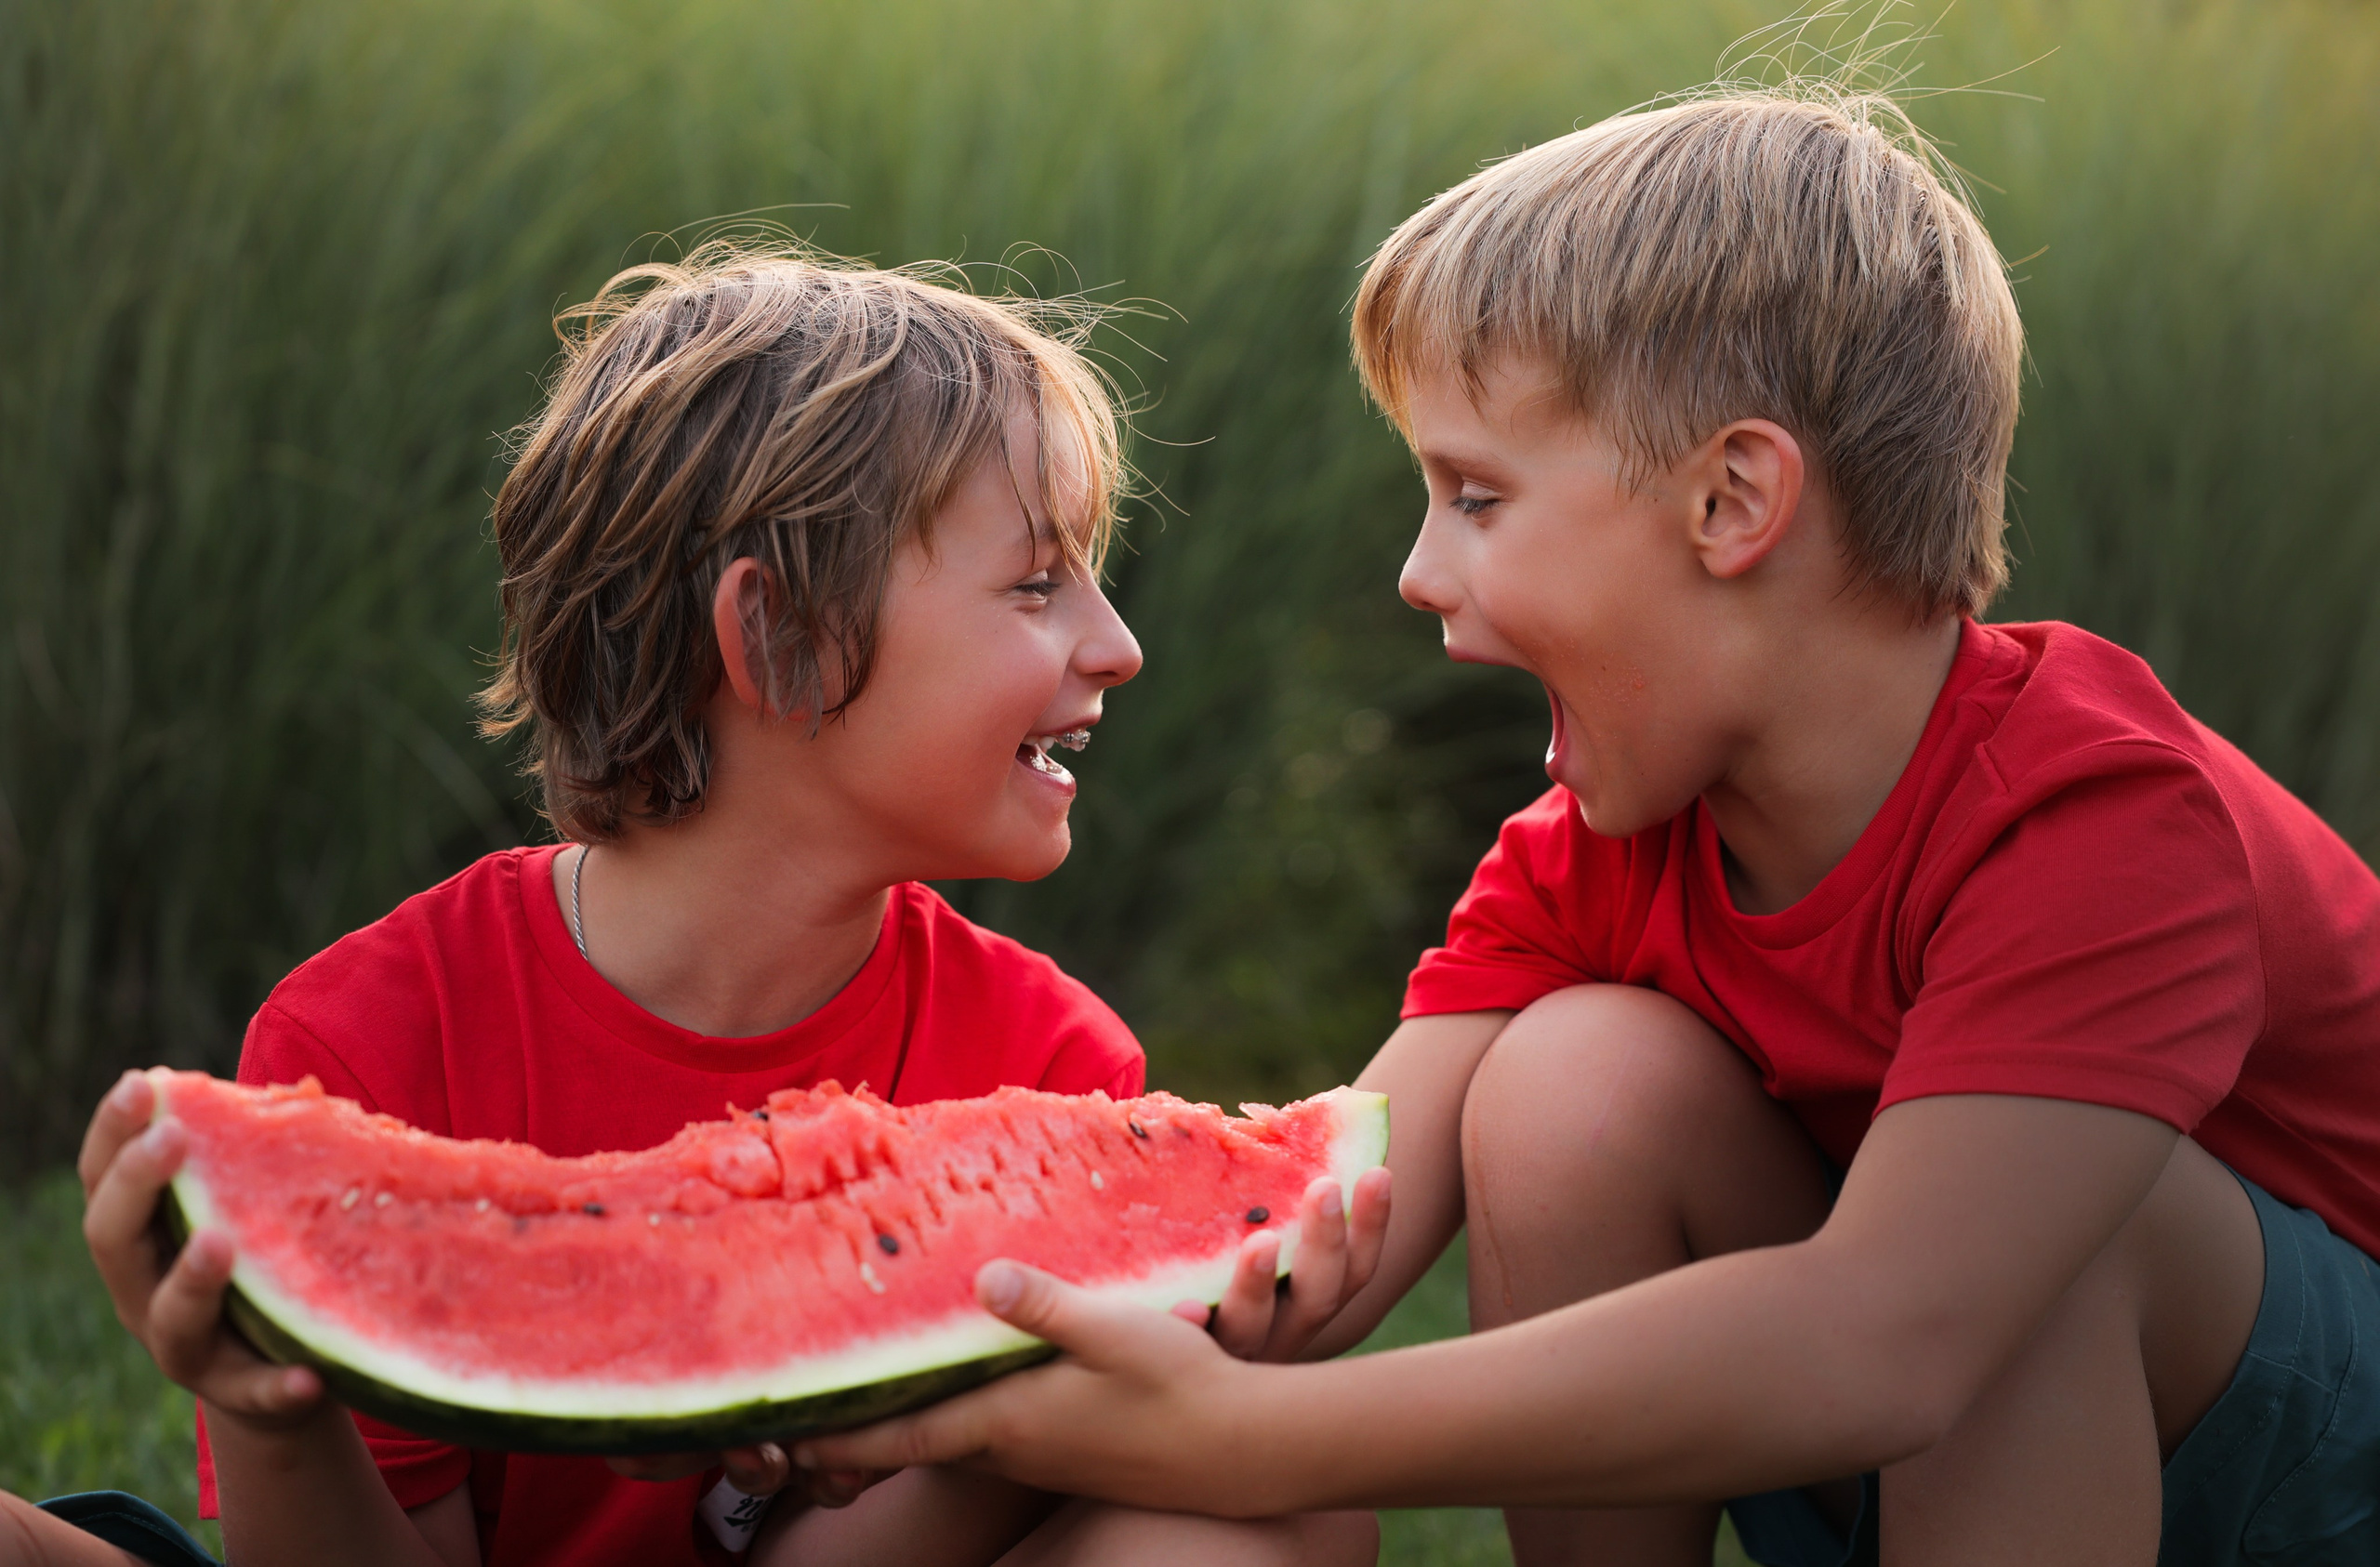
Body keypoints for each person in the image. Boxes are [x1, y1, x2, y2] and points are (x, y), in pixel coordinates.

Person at [792, 86, 2380, 1565]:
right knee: (1571, 1082)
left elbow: (1893, 1340)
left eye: (1474, 497)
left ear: (1731, 504)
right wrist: (927, 1365)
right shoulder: (1605, 840)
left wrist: (1259, 1442)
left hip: (2305, 1459)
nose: (1419, 571)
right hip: (1902, 1420)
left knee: (2037, 1251)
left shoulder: (2094, 814)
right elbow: (1311, 1237)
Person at [64, 244, 1383, 1567]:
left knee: (1286, 1526)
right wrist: (273, 1409)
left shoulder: (1055, 1068)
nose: (1119, 644)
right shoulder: (371, 1042)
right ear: (782, 642)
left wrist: (1108, 1381)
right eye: (1037, 584)